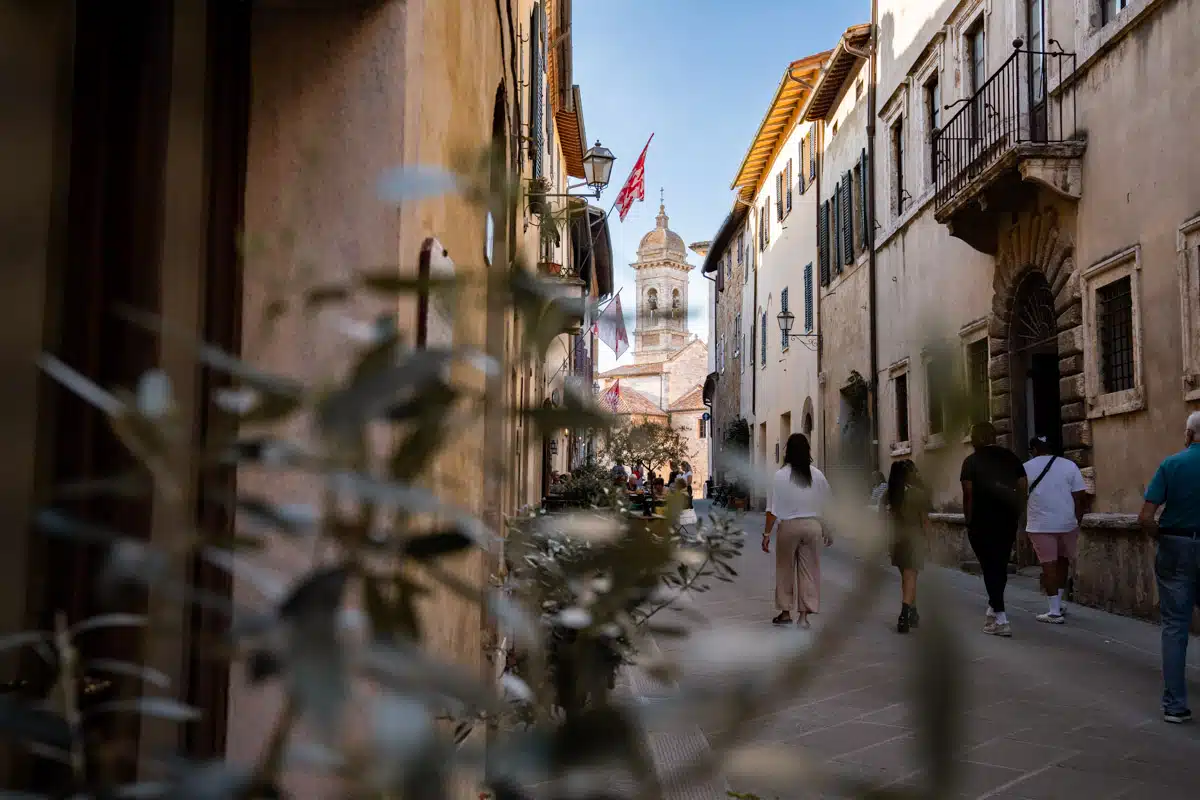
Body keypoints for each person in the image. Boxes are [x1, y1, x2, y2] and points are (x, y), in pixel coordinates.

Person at [1138, 411, 1200, 724]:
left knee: (1175, 627)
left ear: (1188, 434)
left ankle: (1176, 705)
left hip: (1176, 545)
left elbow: (1146, 516)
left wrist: (1161, 538)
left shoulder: (1172, 464)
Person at [960, 422, 1027, 637]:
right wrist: (1018, 511)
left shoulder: (970, 462)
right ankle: (992, 609)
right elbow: (1024, 486)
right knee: (999, 564)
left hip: (982, 521)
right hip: (1007, 519)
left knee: (990, 567)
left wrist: (968, 520)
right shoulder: (1011, 458)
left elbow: (968, 494)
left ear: (976, 439)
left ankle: (1001, 618)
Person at [762, 434, 832, 628]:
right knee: (809, 571)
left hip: (789, 527)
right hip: (813, 526)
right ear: (807, 451)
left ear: (787, 452)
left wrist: (766, 534)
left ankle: (785, 612)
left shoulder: (780, 476)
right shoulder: (817, 475)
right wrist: (828, 528)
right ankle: (804, 617)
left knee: (784, 569)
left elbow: (772, 509)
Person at [1023, 435, 1088, 625]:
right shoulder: (1069, 466)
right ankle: (1059, 603)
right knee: (1062, 562)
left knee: (1048, 566)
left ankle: (1053, 611)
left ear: (1034, 449)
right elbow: (1080, 495)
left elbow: (1019, 494)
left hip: (1040, 524)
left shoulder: (1026, 468)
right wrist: (1077, 518)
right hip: (1067, 523)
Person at [888, 460, 931, 634]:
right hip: (914, 540)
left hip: (896, 540)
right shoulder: (918, 494)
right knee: (911, 576)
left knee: (906, 577)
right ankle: (905, 613)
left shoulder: (889, 494)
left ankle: (913, 611)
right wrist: (928, 541)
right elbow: (925, 521)